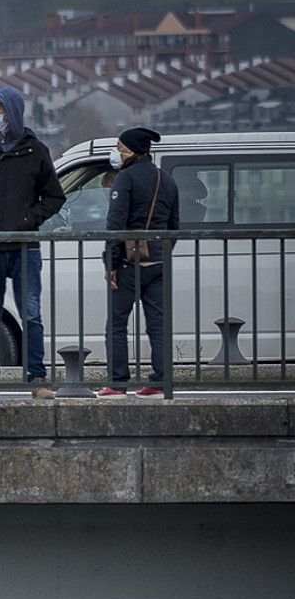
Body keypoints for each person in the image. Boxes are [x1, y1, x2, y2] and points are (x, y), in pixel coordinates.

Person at [0, 85, 66, 400]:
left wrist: (30, 220)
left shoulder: (36, 151)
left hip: (24, 246)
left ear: (13, 112)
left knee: (31, 314)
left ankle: (37, 379)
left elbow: (55, 196)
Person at [98, 127, 179, 399]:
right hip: (158, 260)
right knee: (157, 324)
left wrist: (110, 264)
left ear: (132, 150)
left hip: (128, 263)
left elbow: (115, 226)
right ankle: (159, 382)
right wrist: (161, 253)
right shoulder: (166, 180)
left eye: (120, 146)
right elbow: (174, 226)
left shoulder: (125, 179)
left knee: (117, 324)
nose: (117, 151)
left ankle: (118, 384)